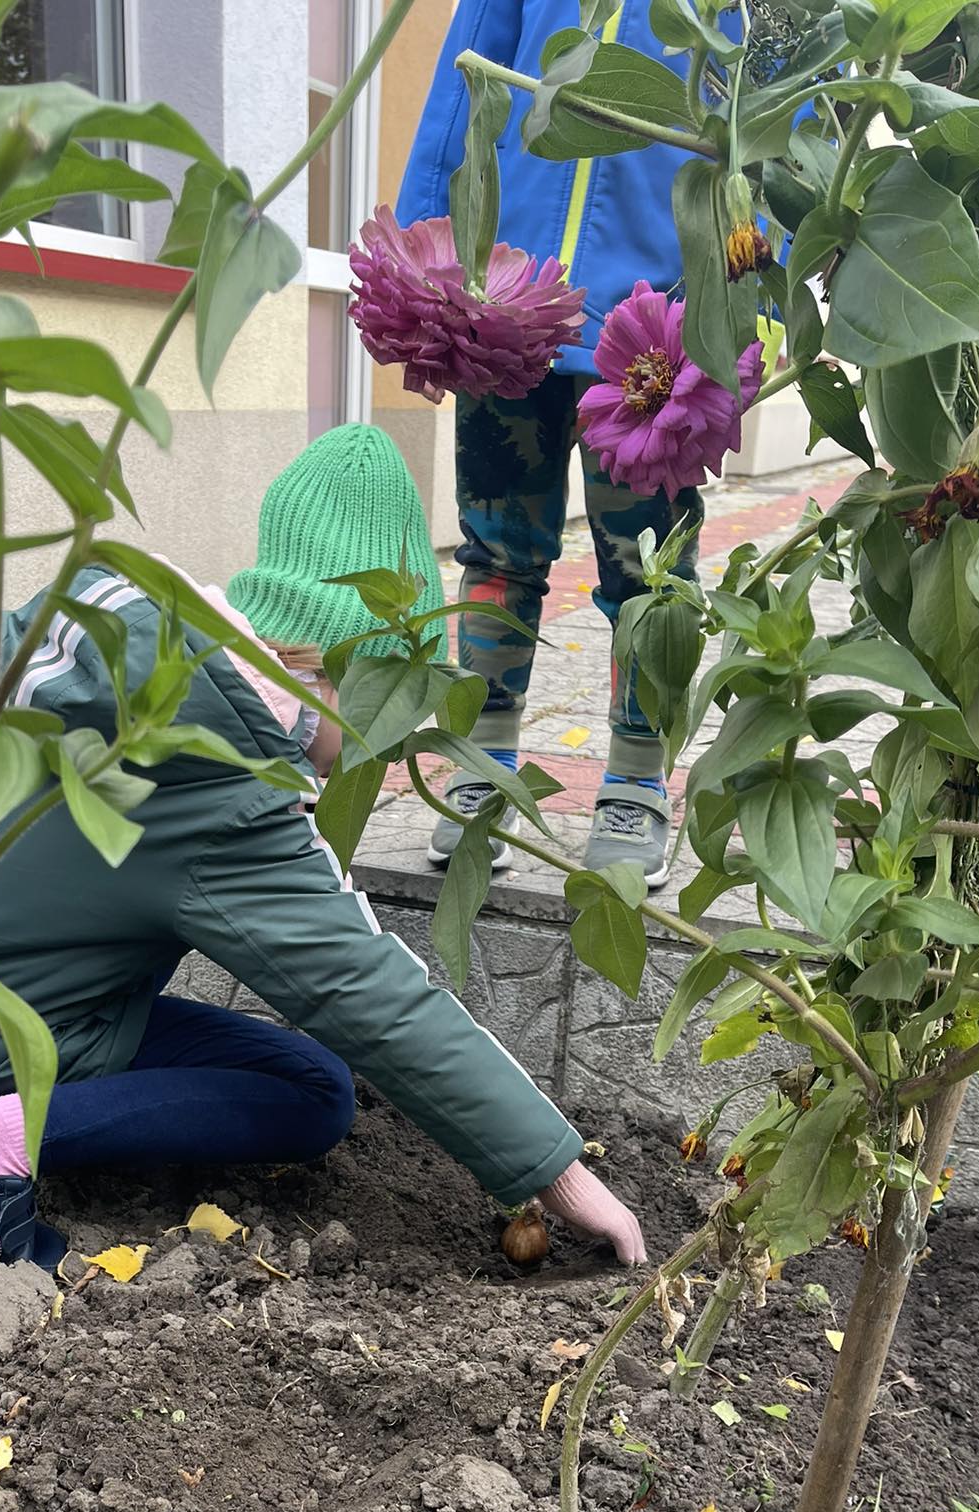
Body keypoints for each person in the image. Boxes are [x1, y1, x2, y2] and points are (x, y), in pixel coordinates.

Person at [0, 426, 646, 1284]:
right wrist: (557, 1172)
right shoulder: (218, 771)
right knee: (314, 1097)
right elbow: (365, 990)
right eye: (389, 708)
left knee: (300, 1069)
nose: (384, 747)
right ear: (355, 675)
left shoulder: (146, 655)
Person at [398, 0, 706, 889]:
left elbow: (775, 105)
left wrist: (762, 268)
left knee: (652, 573)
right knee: (496, 551)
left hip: (658, 316)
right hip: (507, 297)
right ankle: (482, 764)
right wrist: (425, 240)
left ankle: (637, 780)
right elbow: (467, 70)